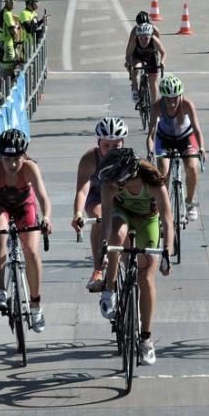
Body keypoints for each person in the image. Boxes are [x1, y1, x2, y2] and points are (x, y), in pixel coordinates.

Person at [97, 148, 173, 366]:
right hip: (122, 215)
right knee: (116, 235)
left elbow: (168, 220)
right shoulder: (109, 184)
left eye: (115, 182)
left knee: (146, 278)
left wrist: (167, 251)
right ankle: (110, 290)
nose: (112, 185)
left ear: (127, 177)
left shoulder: (152, 181)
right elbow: (107, 222)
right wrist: (105, 249)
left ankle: (146, 339)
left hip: (148, 221)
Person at [0, 128, 53, 331]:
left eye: (17, 158)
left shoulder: (30, 168)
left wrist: (46, 218)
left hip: (24, 208)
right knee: (0, 234)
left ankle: (35, 306)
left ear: (24, 155)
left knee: (32, 252)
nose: (12, 164)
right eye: (7, 159)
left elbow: (43, 197)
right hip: (0, 208)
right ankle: (0, 289)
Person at [72, 117, 129, 292]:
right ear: (99, 143)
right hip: (96, 196)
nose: (111, 150)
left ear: (123, 143)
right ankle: (98, 268)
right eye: (106, 146)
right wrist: (78, 214)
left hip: (121, 196)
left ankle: (130, 269)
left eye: (116, 146)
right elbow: (82, 190)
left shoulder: (128, 160)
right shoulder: (89, 160)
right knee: (99, 217)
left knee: (126, 230)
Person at [147, 74, 206, 221]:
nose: (172, 103)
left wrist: (202, 148)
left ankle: (190, 202)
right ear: (163, 97)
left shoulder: (187, 105)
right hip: (164, 139)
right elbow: (151, 134)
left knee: (192, 167)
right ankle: (163, 205)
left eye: (175, 98)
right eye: (168, 98)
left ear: (181, 95)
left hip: (185, 137)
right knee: (163, 172)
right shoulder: (157, 107)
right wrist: (150, 150)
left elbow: (197, 129)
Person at [125, 23, 166, 107]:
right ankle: (135, 90)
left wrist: (162, 62)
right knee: (136, 68)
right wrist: (129, 64)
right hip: (138, 57)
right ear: (138, 37)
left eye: (146, 38)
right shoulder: (134, 40)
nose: (143, 41)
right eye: (141, 38)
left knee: (153, 82)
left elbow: (163, 52)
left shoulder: (154, 40)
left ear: (150, 36)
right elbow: (128, 55)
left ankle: (155, 106)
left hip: (151, 58)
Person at [0, 0, 22, 76]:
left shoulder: (5, 11)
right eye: (10, 1)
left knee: (8, 69)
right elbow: (14, 32)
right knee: (8, 71)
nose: (12, 3)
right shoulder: (7, 14)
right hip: (7, 43)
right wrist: (17, 26)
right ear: (6, 1)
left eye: (14, 1)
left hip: (4, 41)